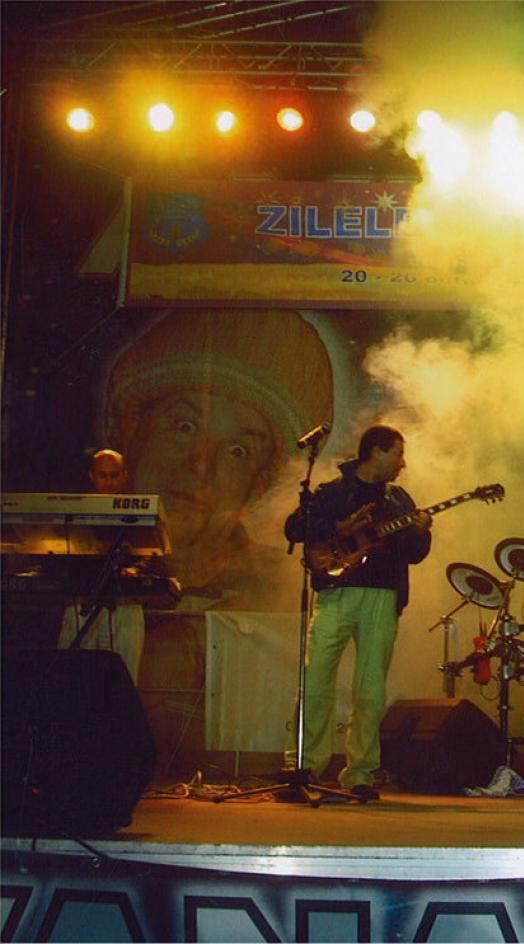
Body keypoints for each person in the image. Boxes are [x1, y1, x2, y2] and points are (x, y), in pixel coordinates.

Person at [103, 308, 334, 610]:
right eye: (185, 426)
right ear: (131, 433)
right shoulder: (83, 563)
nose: (201, 465)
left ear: (258, 485)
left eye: (238, 450)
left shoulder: (280, 595)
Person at [285, 425, 433, 802]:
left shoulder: (398, 500)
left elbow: (414, 554)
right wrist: (338, 526)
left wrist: (420, 532)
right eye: (398, 454)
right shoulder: (333, 492)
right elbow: (295, 528)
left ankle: (360, 772)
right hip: (336, 593)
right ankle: (304, 765)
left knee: (371, 689)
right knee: (316, 680)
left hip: (383, 595)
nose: (403, 463)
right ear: (376, 452)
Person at [56, 449, 146, 683]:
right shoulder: (76, 512)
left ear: (124, 476)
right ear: (91, 476)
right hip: (83, 601)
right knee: (73, 678)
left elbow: (152, 553)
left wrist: (135, 570)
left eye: (114, 475)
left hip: (123, 606)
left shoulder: (141, 513)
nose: (108, 482)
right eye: (103, 475)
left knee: (123, 681)